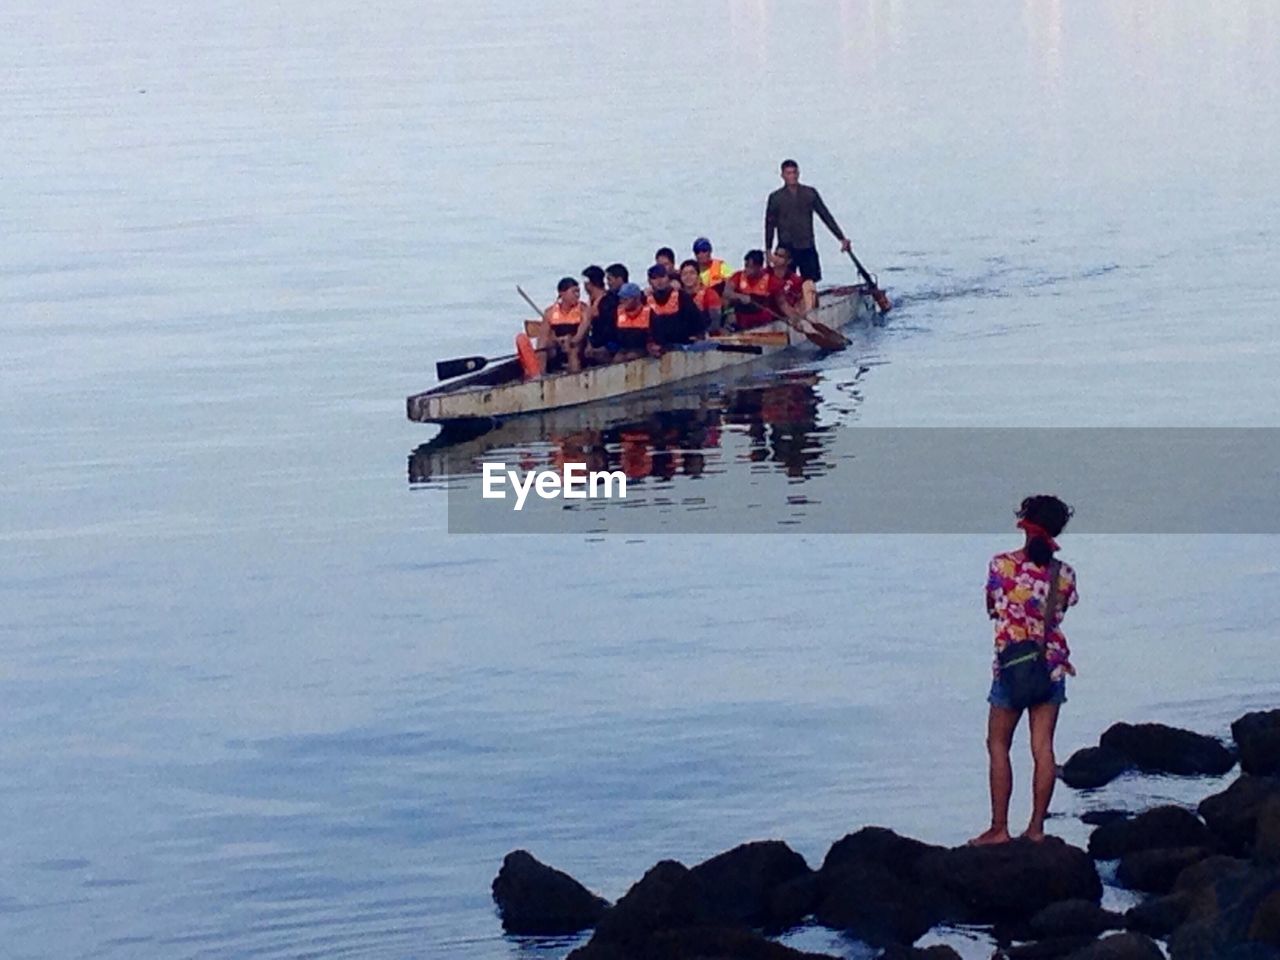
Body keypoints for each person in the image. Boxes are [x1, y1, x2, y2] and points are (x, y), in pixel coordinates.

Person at [970, 495, 1079, 846]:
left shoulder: (1001, 566)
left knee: (998, 744)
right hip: (1051, 666)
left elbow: (992, 608)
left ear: (1025, 523)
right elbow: (1064, 607)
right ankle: (1035, 829)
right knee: (1043, 746)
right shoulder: (1065, 574)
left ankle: (999, 828)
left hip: (1012, 667)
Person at [764, 159, 852, 282]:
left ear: (798, 173)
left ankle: (811, 300)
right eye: (788, 173)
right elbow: (769, 224)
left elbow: (825, 215)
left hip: (806, 245)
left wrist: (841, 238)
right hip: (786, 247)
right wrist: (768, 250)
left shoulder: (809, 193)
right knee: (785, 283)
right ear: (782, 175)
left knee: (811, 281)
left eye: (794, 173)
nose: (792, 176)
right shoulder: (776, 197)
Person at [535, 277, 591, 374]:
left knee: (572, 349)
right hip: (558, 344)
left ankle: (575, 376)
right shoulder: (549, 312)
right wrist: (556, 341)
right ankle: (541, 376)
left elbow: (582, 332)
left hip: (578, 345)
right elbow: (543, 336)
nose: (577, 295)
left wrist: (571, 340)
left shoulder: (583, 310)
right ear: (562, 293)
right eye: (574, 292)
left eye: (578, 292)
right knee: (542, 348)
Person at [722, 250, 781, 330]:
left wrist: (794, 318)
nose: (746, 270)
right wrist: (740, 296)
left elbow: (782, 303)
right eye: (745, 266)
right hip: (742, 317)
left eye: (750, 267)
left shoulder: (771, 280)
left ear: (759, 267)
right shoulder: (738, 276)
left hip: (762, 319)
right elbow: (726, 293)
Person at [645, 263, 704, 344]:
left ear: (668, 278)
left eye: (662, 276)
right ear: (649, 281)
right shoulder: (644, 300)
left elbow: (698, 323)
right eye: (654, 278)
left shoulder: (682, 297)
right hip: (657, 347)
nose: (659, 281)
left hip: (682, 345)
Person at [613, 283, 657, 360]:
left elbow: (656, 335)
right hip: (624, 348)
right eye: (621, 298)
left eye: (626, 299)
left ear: (637, 299)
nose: (622, 301)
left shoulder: (649, 313)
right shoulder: (618, 312)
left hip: (643, 348)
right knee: (617, 358)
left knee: (631, 356)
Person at [770, 246, 817, 316]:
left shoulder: (795, 279)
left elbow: (800, 300)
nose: (776, 258)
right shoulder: (766, 273)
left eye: (780, 256)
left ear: (789, 261)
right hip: (772, 311)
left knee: (809, 285)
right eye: (775, 254)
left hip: (790, 311)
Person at [680, 258, 724, 334]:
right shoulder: (677, 295)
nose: (688, 277)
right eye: (684, 274)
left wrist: (703, 334)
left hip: (705, 337)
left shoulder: (710, 294)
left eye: (692, 273)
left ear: (698, 275)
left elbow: (715, 322)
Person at [582, 264, 615, 364]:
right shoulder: (591, 302)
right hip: (594, 341)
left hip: (607, 343)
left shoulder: (607, 301)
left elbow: (609, 328)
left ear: (589, 284)